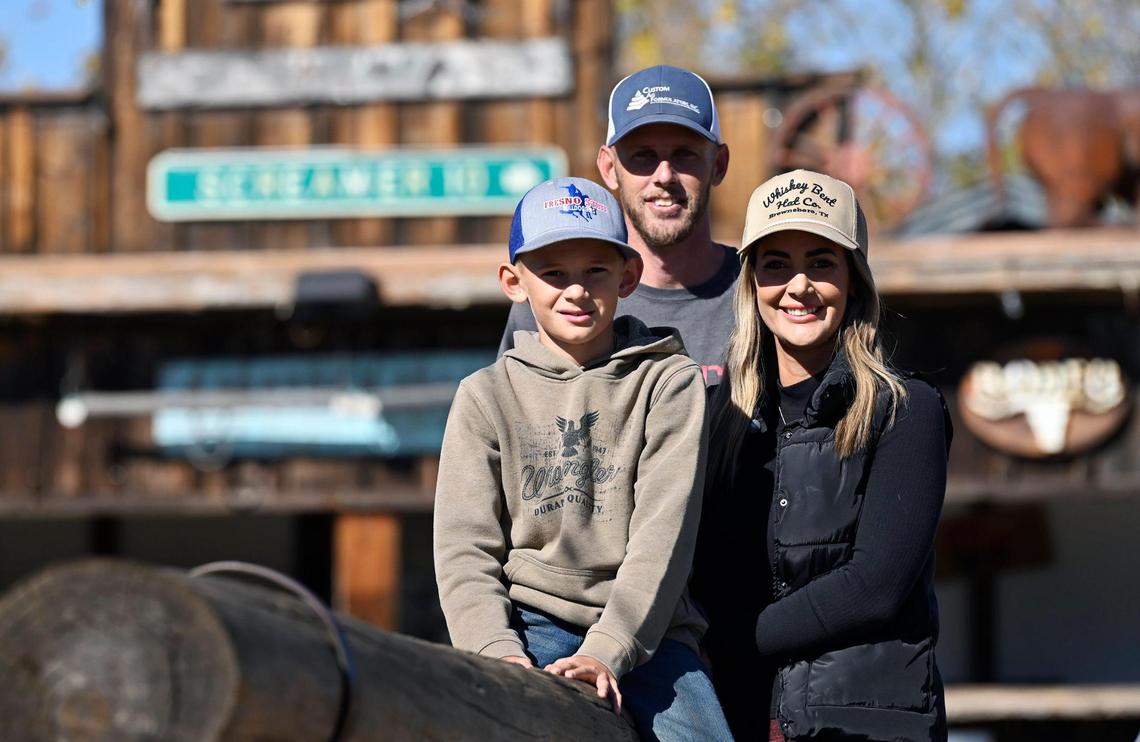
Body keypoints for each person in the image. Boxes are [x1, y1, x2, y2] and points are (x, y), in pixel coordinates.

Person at [434, 175, 733, 741]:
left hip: (649, 633)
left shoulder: (668, 383)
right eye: (553, 273)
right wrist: (495, 649)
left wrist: (608, 649)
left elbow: (662, 539)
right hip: (527, 623)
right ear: (513, 282)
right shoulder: (484, 396)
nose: (575, 291)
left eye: (595, 271)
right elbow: (463, 547)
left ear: (628, 276)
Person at [693, 169, 951, 741]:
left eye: (822, 262)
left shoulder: (906, 412)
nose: (798, 286)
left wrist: (718, 644)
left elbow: (874, 588)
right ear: (752, 282)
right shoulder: (715, 420)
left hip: (865, 726)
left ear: (854, 282)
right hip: (734, 719)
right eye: (776, 263)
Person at [499, 65, 737, 388]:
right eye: (643, 156)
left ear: (719, 165)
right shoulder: (553, 299)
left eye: (685, 155)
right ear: (609, 168)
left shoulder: (761, 292)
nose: (664, 175)